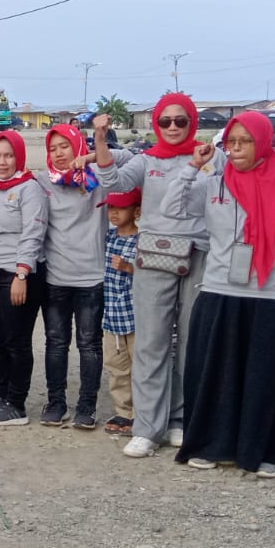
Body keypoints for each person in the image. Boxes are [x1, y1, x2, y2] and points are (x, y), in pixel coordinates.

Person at [164, 113, 275, 478]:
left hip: (270, 295)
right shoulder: (214, 184)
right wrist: (192, 167)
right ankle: (209, 446)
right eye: (231, 142)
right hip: (219, 290)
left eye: (245, 141)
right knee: (214, 374)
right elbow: (171, 207)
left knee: (261, 378)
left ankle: (258, 453)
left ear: (261, 143)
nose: (236, 149)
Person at [92, 93, 207, 459]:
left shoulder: (210, 157)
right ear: (155, 124)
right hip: (156, 254)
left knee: (190, 341)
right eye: (164, 121)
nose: (172, 127)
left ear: (192, 122)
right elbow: (112, 181)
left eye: (180, 120)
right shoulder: (146, 160)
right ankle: (146, 427)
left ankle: (179, 419)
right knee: (151, 342)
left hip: (200, 255)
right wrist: (100, 140)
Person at [37, 125, 111, 429]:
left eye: (65, 146)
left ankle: (87, 406)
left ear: (78, 146)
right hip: (55, 278)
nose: (58, 153)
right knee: (55, 343)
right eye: (52, 148)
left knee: (89, 344)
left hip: (92, 279)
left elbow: (129, 159)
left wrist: (91, 156)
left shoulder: (100, 180)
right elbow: (10, 179)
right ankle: (56, 402)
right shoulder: (43, 181)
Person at [0, 131, 47, 427]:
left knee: (17, 341)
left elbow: (33, 233)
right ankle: (1, 396)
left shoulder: (30, 189)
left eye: (9, 156)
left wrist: (22, 273)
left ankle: (17, 404)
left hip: (16, 274)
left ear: (19, 158)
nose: (2, 162)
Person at [102, 189, 141, 436]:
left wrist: (130, 267)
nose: (114, 213)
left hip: (135, 315)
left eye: (121, 208)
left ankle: (140, 413)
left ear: (136, 212)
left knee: (140, 365)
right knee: (116, 366)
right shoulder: (108, 237)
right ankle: (123, 411)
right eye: (111, 208)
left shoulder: (142, 240)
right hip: (112, 315)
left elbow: (152, 274)